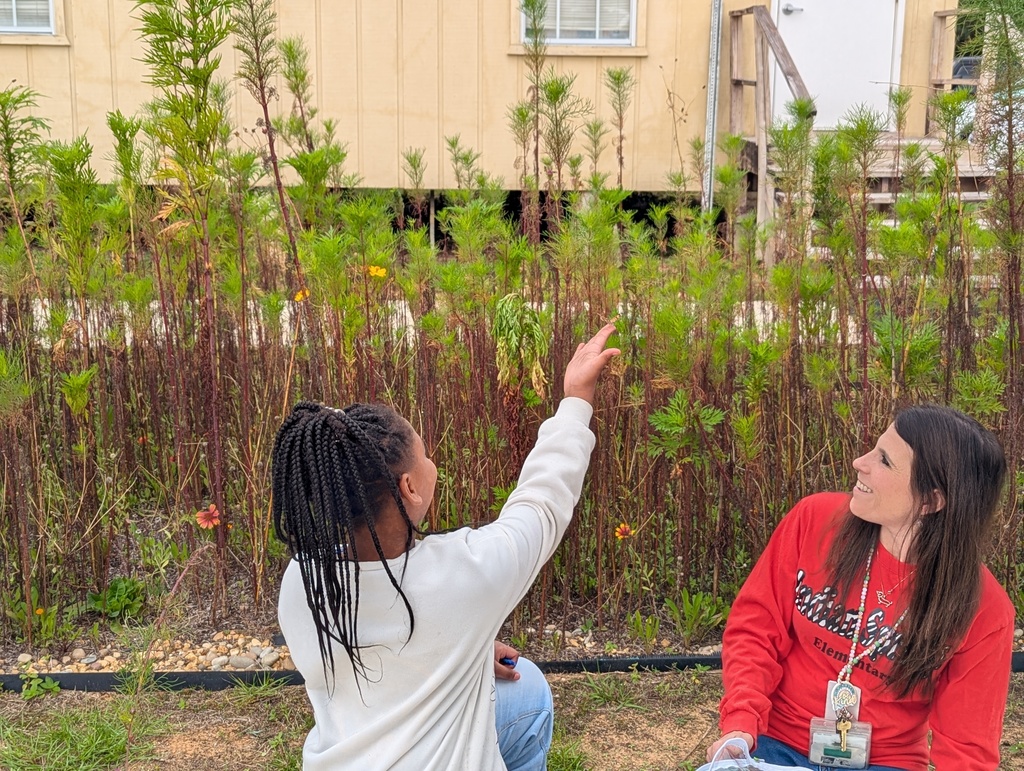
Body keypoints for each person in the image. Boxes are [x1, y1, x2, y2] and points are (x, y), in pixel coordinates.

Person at [273, 323, 619, 770]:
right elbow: (543, 504)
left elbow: (389, 649)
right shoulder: (465, 575)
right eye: (425, 455)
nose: (431, 461)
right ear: (410, 488)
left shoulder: (303, 585)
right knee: (527, 690)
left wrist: (467, 648)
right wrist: (575, 399)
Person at [708, 404, 1014, 771]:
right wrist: (740, 726)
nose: (859, 462)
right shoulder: (815, 521)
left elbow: (967, 748)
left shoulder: (983, 609)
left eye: (884, 460)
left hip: (887, 762)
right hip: (773, 745)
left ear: (932, 500)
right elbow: (756, 629)